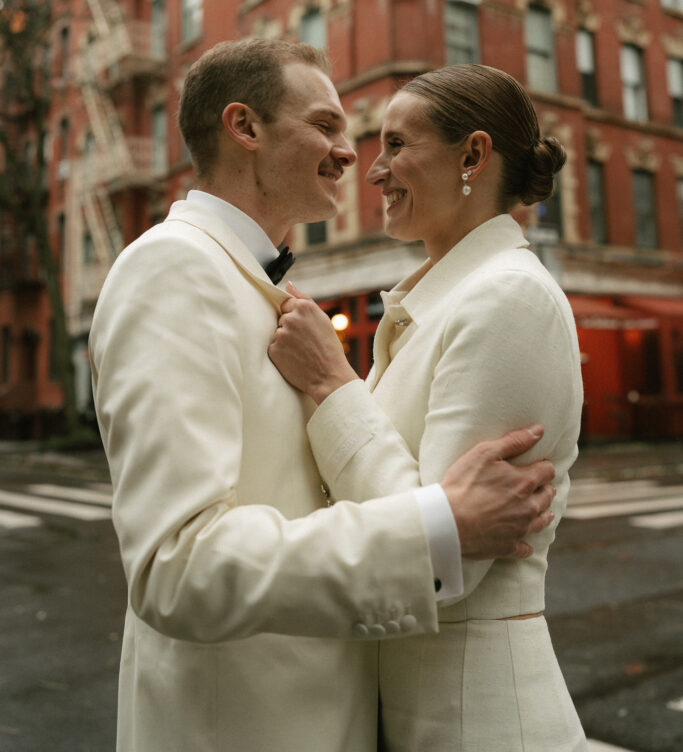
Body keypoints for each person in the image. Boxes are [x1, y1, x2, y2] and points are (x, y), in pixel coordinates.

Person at [90, 41, 557, 752]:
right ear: (243, 127)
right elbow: (176, 567)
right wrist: (432, 531)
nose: (352, 156)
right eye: (328, 125)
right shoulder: (171, 270)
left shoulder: (252, 286)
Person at [269, 62, 587, 751]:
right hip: (411, 709)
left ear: (473, 155)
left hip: (477, 717)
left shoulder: (509, 299)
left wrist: (331, 384)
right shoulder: (444, 299)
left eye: (396, 145)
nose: (373, 170)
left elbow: (453, 559)